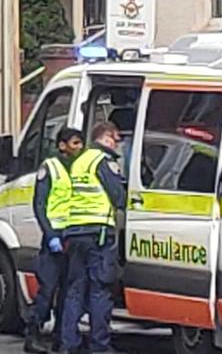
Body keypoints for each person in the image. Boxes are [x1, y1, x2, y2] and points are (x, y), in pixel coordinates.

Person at [60, 122, 127, 354]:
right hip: (98, 233)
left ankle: (69, 344)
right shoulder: (104, 161)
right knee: (100, 289)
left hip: (75, 231)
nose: (117, 144)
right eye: (115, 139)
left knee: (75, 290)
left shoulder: (80, 160)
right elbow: (118, 197)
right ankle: (100, 347)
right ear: (106, 137)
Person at [24, 128, 84, 354]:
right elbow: (40, 204)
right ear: (62, 146)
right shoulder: (49, 167)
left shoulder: (82, 168)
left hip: (74, 237)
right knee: (47, 290)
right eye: (75, 143)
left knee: (69, 292)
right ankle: (33, 334)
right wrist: (50, 236)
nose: (79, 148)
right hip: (55, 238)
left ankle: (62, 337)